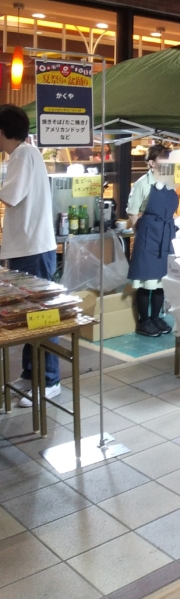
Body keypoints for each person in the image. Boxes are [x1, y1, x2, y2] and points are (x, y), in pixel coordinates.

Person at [0, 105, 60, 405]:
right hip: (31, 247)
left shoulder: (22, 155)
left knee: (41, 316)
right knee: (30, 316)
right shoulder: (27, 153)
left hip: (32, 249)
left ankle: (49, 380)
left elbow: (10, 196)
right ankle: (30, 373)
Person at [127, 144, 179, 336]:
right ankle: (144, 321)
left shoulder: (171, 181)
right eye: (162, 159)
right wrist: (141, 231)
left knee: (161, 280)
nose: (166, 162)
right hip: (148, 234)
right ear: (151, 162)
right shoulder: (142, 183)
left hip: (166, 234)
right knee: (145, 280)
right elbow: (132, 212)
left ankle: (156, 318)